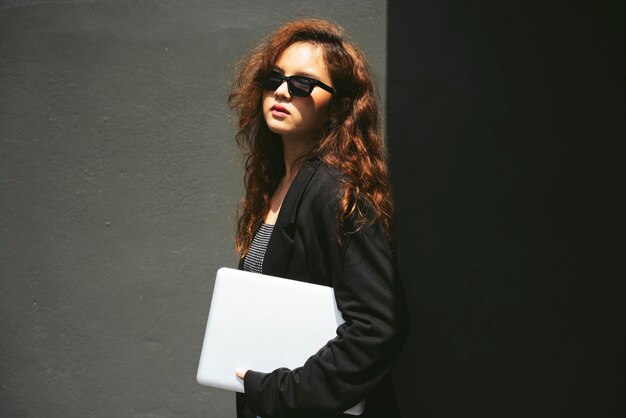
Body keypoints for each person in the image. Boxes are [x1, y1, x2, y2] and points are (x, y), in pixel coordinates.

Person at [228, 18, 409, 418]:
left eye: (303, 85)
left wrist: (282, 393)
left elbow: (377, 329)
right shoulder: (280, 182)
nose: (281, 91)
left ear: (341, 107)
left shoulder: (336, 192)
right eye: (274, 78)